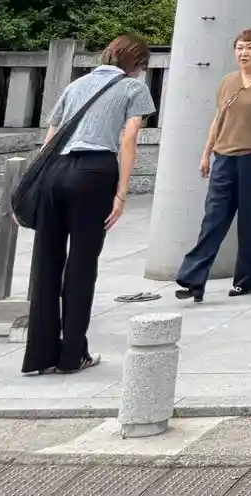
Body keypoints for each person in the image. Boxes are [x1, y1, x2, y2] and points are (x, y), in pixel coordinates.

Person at [22, 35, 156, 376]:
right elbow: (128, 139)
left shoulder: (76, 85)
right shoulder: (133, 88)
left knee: (46, 263)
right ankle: (72, 355)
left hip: (55, 172)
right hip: (94, 172)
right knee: (82, 264)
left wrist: (37, 183)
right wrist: (122, 192)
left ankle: (39, 356)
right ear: (137, 63)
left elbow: (50, 139)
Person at [172, 28, 251, 301]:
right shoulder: (228, 81)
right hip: (224, 158)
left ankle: (246, 281)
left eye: (249, 47)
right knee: (213, 219)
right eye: (239, 47)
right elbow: (218, 119)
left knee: (250, 222)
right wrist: (206, 153)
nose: (243, 52)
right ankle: (193, 280)